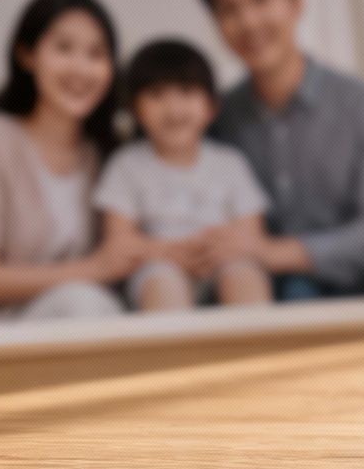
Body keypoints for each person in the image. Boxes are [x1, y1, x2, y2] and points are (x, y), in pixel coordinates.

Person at [193, 0, 364, 300]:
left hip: (354, 301)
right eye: (227, 9)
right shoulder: (215, 120)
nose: (247, 22)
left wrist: (272, 253)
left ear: (296, 3)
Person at [0, 0, 136, 326]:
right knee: (83, 304)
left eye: (97, 54)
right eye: (64, 48)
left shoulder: (104, 154)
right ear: (27, 55)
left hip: (75, 329)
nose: (80, 68)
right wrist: (92, 270)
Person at [94, 39, 273, 312]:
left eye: (187, 91)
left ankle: (261, 353)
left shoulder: (230, 162)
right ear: (134, 108)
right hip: (157, 266)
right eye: (156, 94)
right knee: (163, 282)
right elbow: (119, 241)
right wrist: (167, 253)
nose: (173, 108)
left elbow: (251, 235)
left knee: (244, 274)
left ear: (211, 106)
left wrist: (213, 251)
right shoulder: (126, 165)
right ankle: (176, 356)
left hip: (221, 263)